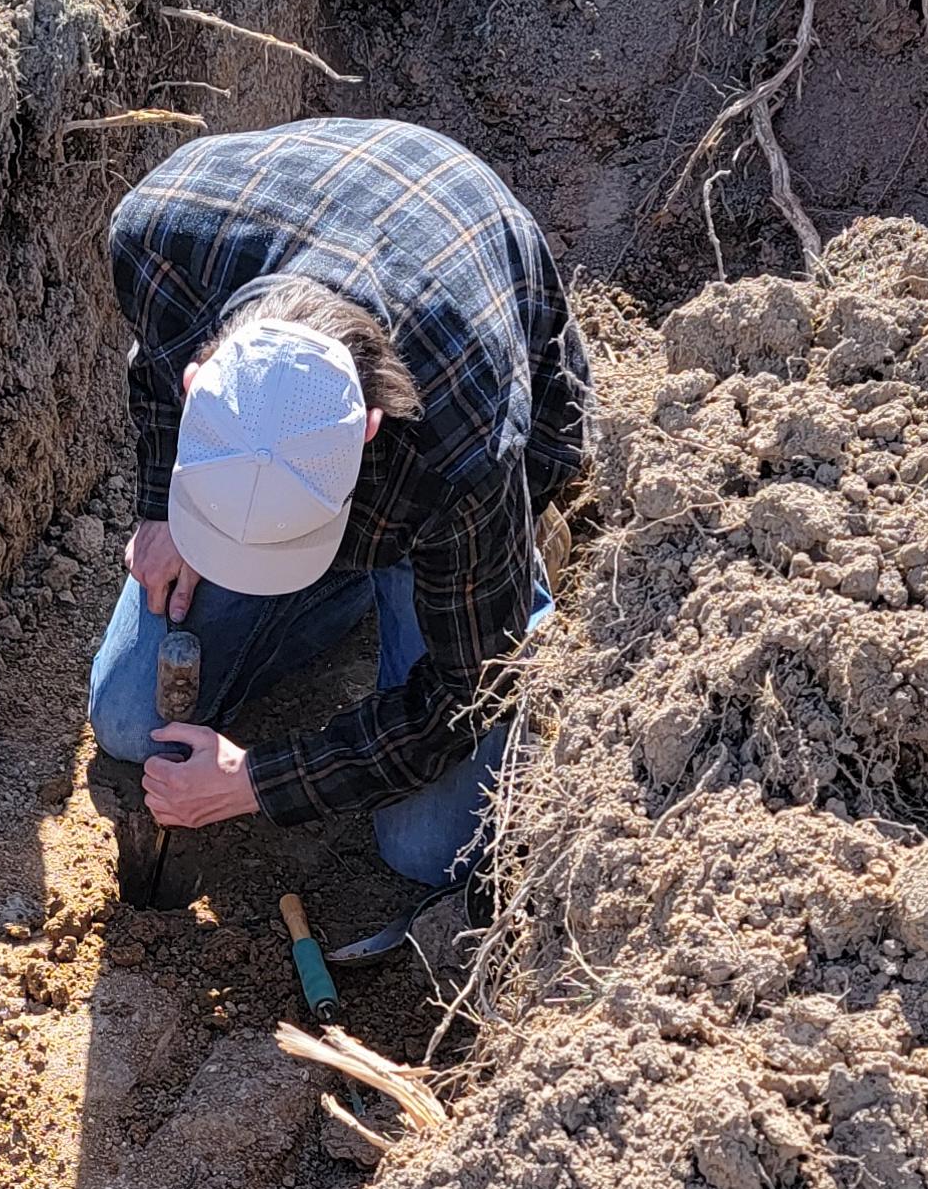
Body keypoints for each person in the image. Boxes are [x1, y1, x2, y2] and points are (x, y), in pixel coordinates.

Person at [86, 115, 591, 910]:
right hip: (321, 201)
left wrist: (254, 781)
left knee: (431, 847)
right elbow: (149, 370)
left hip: (459, 254)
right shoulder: (160, 245)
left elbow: (464, 698)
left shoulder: (461, 452)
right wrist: (161, 508)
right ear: (200, 381)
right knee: (125, 717)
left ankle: (514, 577)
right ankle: (350, 587)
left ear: (365, 429)